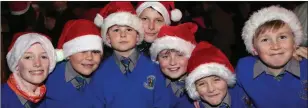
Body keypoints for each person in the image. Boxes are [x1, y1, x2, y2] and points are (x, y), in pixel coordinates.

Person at [87, 1, 170, 107]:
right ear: (107, 37)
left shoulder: (155, 68)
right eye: (116, 30)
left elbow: (162, 102)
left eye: (129, 29)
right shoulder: (99, 73)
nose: (123, 35)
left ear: (138, 35)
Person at [235, 5, 307, 107]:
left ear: (294, 43)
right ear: (254, 49)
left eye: (282, 37)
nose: (275, 46)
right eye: (265, 40)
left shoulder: (305, 65)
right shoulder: (245, 68)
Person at [43, 19, 103, 107]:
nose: (89, 57)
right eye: (82, 51)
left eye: (95, 52)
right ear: (68, 54)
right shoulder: (47, 79)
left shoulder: (104, 79)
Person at [1, 32, 56, 108]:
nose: (37, 63)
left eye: (43, 57)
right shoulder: (3, 99)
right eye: (28, 57)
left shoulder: (52, 96)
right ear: (16, 64)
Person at [149, 22, 197, 108]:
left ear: (190, 57)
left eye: (180, 55)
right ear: (157, 60)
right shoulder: (150, 85)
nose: (172, 62)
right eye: (165, 56)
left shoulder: (203, 85)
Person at [185, 41, 244, 108]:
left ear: (226, 79)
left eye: (216, 80)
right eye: (202, 84)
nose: (211, 89)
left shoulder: (244, 95)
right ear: (195, 89)